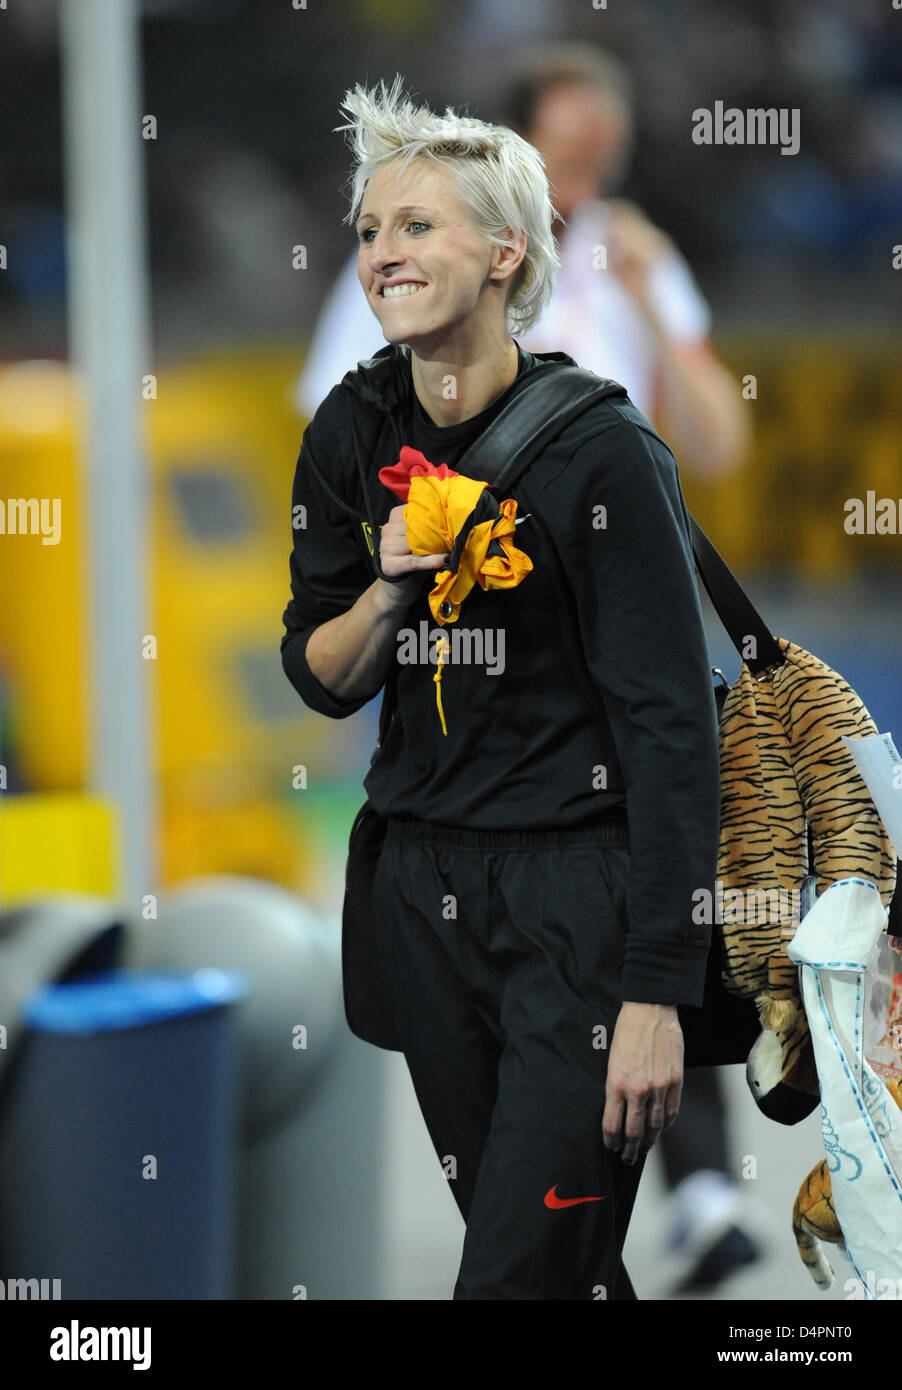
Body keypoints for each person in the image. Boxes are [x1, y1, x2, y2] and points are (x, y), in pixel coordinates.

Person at [280, 76, 721, 1300]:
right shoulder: (346, 434)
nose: (381, 251)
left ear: (503, 253)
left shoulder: (600, 448)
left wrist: (654, 994)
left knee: (515, 1281)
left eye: (417, 225)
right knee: (551, 1271)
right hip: (423, 898)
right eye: (370, 229)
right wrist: (383, 592)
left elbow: (669, 731)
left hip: (574, 904)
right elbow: (315, 673)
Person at [294, 45, 748, 481]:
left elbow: (717, 449)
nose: (590, 193)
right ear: (512, 141)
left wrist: (649, 304)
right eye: (571, 164)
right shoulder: (417, 250)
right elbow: (337, 426)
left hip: (606, 530)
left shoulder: (636, 256)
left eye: (602, 167)